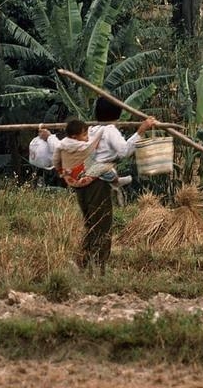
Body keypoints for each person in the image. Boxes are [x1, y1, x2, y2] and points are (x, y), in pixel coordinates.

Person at [72, 97, 156, 273]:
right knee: (102, 224)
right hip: (99, 183)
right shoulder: (110, 130)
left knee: (91, 223)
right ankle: (98, 267)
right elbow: (124, 151)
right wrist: (141, 130)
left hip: (83, 182)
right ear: (117, 113)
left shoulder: (92, 129)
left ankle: (85, 263)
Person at [53, 117, 132, 193]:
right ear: (74, 137)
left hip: (68, 177)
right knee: (105, 166)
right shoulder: (81, 146)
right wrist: (104, 129)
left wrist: (60, 171)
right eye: (84, 135)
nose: (87, 137)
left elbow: (55, 159)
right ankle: (116, 181)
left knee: (93, 161)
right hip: (80, 179)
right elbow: (92, 145)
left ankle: (110, 179)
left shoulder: (62, 143)